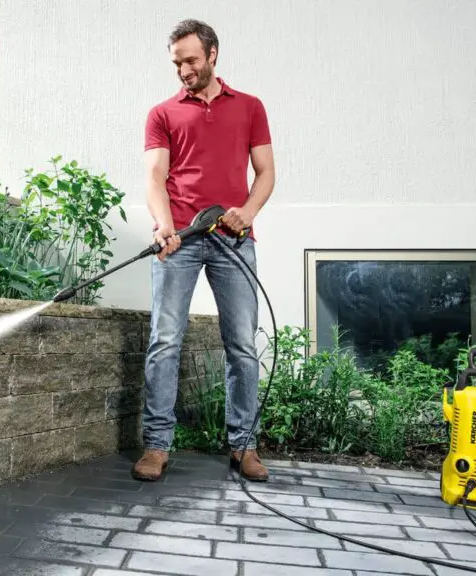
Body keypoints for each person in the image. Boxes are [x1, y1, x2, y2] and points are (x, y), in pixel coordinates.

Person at [132, 19, 276, 482]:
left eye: (191, 60)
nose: (184, 70)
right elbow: (156, 177)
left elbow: (266, 173)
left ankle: (244, 446)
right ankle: (156, 446)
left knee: (241, 346)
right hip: (182, 241)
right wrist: (164, 225)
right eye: (177, 63)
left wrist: (247, 213)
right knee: (164, 342)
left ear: (213, 54)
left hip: (233, 241)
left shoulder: (251, 107)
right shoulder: (163, 113)